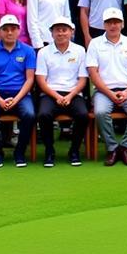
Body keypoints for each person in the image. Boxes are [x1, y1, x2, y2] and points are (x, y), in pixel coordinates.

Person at [87, 7, 127, 166]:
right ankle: (112, 148)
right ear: (104, 25)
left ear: (123, 24)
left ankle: (125, 147)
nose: (113, 25)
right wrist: (109, 93)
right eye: (109, 22)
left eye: (117, 22)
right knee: (100, 112)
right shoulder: (95, 44)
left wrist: (126, 92)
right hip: (103, 91)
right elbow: (94, 73)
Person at [0, 14, 37, 168]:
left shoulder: (28, 51)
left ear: (19, 30)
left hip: (21, 94)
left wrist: (17, 99)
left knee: (29, 115)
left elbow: (30, 79)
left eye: (13, 29)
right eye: (5, 29)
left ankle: (19, 152)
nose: (9, 32)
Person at [34, 16, 89, 167]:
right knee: (44, 114)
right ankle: (49, 150)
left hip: (73, 93)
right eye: (57, 30)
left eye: (64, 30)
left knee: (83, 115)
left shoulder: (80, 50)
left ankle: (74, 150)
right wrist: (57, 96)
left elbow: (83, 79)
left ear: (71, 32)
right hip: (50, 93)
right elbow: (41, 80)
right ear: (51, 33)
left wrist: (70, 95)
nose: (61, 33)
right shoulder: (44, 52)